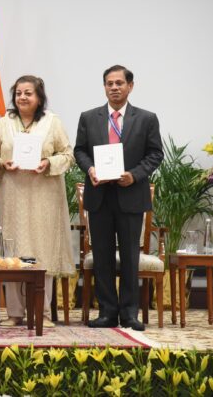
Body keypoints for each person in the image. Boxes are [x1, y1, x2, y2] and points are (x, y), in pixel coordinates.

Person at [74, 64, 163, 331]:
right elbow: (80, 151)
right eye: (109, 83)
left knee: (129, 256)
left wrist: (134, 175)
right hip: (99, 196)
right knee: (101, 256)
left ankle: (130, 313)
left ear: (130, 86)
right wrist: (89, 168)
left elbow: (155, 154)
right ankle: (107, 313)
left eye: (119, 83)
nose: (114, 88)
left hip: (130, 195)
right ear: (104, 87)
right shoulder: (89, 117)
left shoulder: (146, 118)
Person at [0, 75, 75, 328]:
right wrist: (2, 163)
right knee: (12, 253)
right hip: (12, 195)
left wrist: (48, 163)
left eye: (28, 93)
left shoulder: (52, 122)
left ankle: (43, 313)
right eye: (18, 93)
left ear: (39, 97)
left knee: (41, 251)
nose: (22, 97)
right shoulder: (3, 123)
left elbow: (68, 155)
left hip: (44, 195)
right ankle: (14, 313)